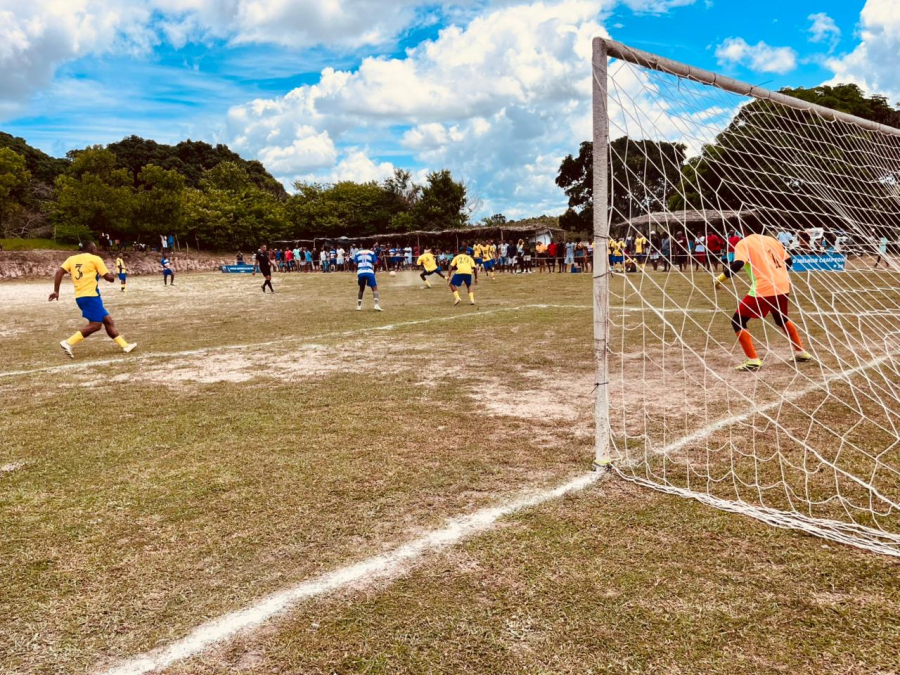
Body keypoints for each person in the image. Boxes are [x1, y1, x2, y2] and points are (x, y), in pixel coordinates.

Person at [714, 233, 814, 372]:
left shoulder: (744, 243)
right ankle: (800, 352)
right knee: (781, 318)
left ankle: (753, 360)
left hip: (764, 288)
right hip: (783, 285)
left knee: (738, 320)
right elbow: (789, 261)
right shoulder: (771, 240)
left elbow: (738, 264)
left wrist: (718, 279)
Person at [49, 242, 137, 358]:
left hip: (80, 296)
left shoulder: (71, 259)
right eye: (95, 248)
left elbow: (59, 272)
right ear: (92, 249)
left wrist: (56, 291)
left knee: (107, 320)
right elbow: (109, 278)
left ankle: (125, 346)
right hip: (91, 296)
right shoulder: (95, 259)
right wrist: (112, 275)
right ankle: (68, 342)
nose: (97, 250)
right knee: (96, 325)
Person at [354, 246, 382, 311]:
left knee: (361, 288)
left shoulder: (358, 253)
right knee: (374, 288)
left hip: (361, 272)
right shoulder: (371, 253)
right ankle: (376, 305)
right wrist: (374, 271)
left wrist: (358, 270)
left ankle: (358, 306)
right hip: (369, 272)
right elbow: (375, 263)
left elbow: (354, 263)